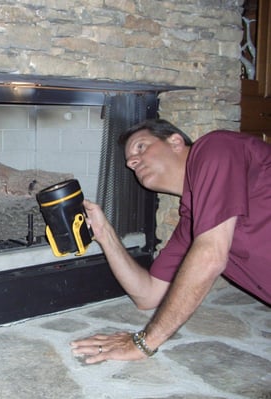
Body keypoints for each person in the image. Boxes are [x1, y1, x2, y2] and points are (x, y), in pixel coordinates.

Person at [70, 119, 271, 364]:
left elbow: (210, 257)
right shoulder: (192, 221)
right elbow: (148, 296)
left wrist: (143, 343)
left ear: (176, 141)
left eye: (141, 147)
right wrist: (104, 233)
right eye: (129, 161)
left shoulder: (217, 147)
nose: (131, 162)